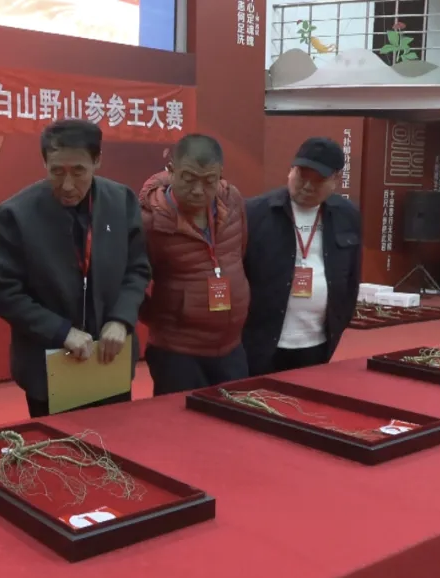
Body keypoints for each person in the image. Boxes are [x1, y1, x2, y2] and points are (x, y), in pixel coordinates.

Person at [0, 119, 150, 418]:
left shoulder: (121, 201)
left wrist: (121, 320)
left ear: (97, 161)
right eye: (57, 172)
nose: (68, 185)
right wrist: (60, 331)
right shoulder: (16, 215)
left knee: (117, 439)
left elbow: (137, 269)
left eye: (79, 171)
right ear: (44, 163)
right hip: (49, 363)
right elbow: (3, 292)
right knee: (58, 444)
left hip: (109, 356)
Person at [137, 134, 249, 395]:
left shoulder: (233, 201)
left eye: (209, 181)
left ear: (220, 175)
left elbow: (240, 252)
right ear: (171, 171)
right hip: (178, 351)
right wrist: (164, 316)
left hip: (231, 345)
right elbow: (132, 281)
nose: (199, 190)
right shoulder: (150, 221)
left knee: (235, 415)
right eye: (189, 179)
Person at [242, 137, 362, 376]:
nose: (307, 186)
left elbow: (352, 276)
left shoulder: (347, 215)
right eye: (302, 176)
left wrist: (340, 320)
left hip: (318, 342)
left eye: (318, 180)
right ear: (291, 170)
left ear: (336, 180)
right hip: (261, 342)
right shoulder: (255, 213)